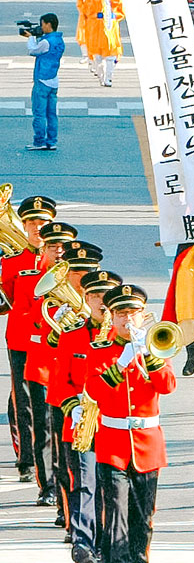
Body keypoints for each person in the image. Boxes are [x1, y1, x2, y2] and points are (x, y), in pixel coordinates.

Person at [84, 284, 176, 563]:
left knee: (144, 516)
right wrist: (120, 365)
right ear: (112, 318)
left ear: (142, 315)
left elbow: (168, 385)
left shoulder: (157, 347)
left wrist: (149, 357)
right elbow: (94, 392)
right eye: (121, 314)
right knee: (115, 515)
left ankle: (139, 558)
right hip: (112, 443)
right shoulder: (99, 350)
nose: (127, 320)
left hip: (147, 444)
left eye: (133, 313)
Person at [56, 269, 122, 563]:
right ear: (86, 298)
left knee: (113, 489)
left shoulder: (123, 340)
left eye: (106, 295)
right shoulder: (72, 337)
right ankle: (83, 543)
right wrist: (75, 408)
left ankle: (107, 544)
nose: (101, 302)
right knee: (84, 482)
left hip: (114, 425)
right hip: (83, 422)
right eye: (94, 295)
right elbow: (59, 383)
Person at [13, 221, 77, 507]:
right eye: (53, 247)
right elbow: (23, 318)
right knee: (45, 428)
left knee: (70, 430)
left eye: (63, 247)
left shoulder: (81, 283)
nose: (58, 252)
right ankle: (47, 485)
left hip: (75, 366)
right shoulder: (30, 280)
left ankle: (72, 487)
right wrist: (50, 327)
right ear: (45, 249)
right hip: (42, 363)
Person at [2, 195, 56, 485]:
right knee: (22, 399)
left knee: (51, 400)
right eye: (31, 223)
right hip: (21, 339)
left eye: (42, 222)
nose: (37, 227)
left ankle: (53, 455)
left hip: (54, 341)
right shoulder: (12, 261)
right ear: (23, 226)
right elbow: (6, 299)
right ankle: (27, 459)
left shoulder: (61, 259)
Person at [24, 13, 65, 152]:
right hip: (53, 80)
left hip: (42, 80)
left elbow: (33, 51)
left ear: (48, 24)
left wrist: (30, 37)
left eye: (42, 24)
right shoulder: (59, 40)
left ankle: (39, 141)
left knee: (39, 113)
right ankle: (52, 141)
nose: (41, 27)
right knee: (51, 114)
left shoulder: (46, 42)